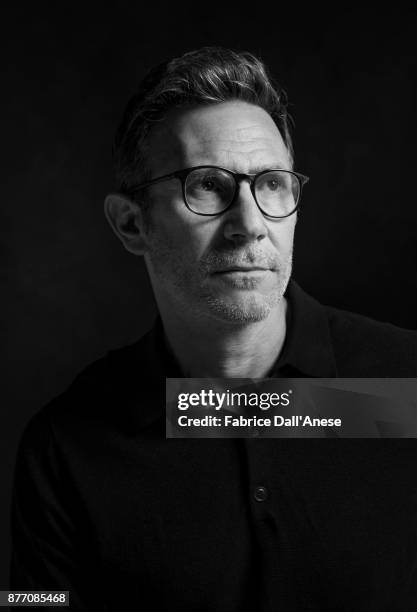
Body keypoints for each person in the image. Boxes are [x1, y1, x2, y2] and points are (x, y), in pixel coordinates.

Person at [10, 47, 417, 611]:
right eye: (206, 185)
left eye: (272, 183)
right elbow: (31, 603)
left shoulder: (405, 386)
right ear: (131, 223)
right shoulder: (66, 447)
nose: (249, 225)